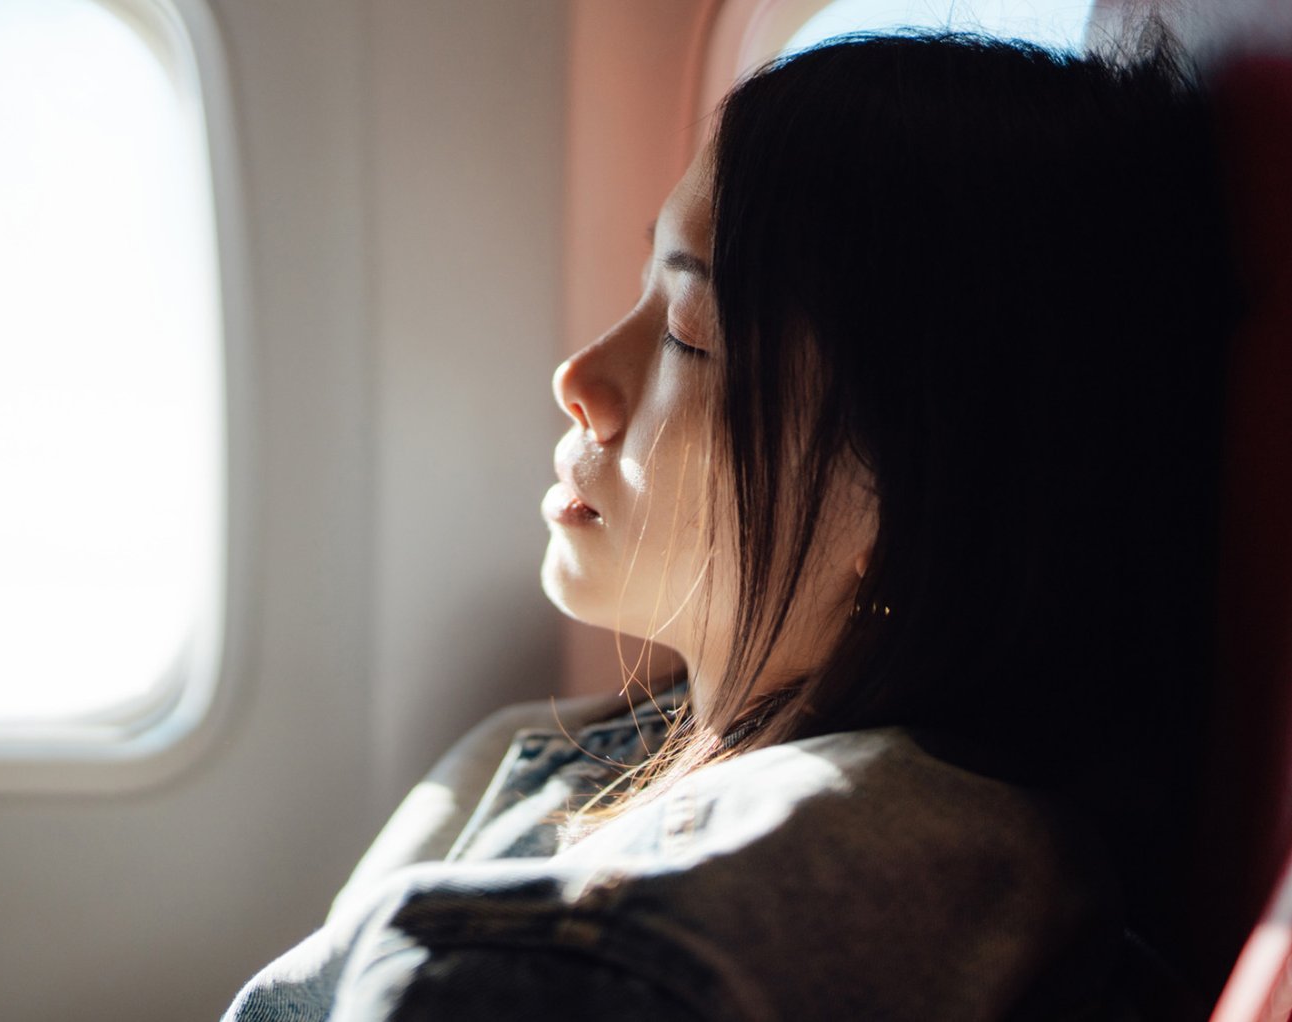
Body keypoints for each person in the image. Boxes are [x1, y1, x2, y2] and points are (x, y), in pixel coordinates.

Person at [225, 27, 1237, 1021]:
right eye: (643, 291)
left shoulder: (913, 852)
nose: (575, 378)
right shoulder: (536, 753)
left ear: (911, 488)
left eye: (683, 332)